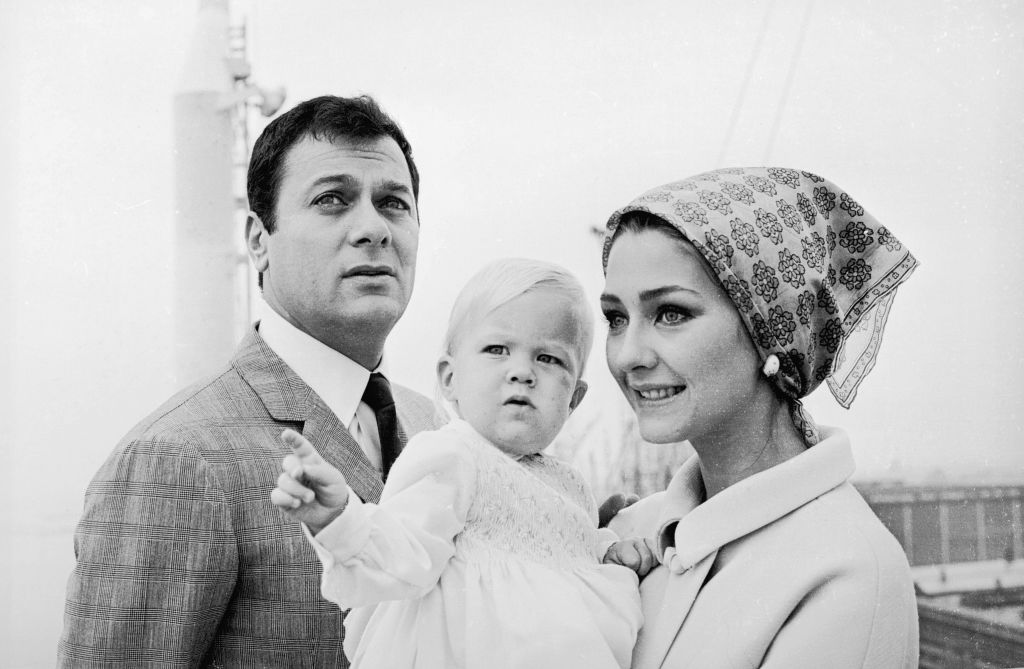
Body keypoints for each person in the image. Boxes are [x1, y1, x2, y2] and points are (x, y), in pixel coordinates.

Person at [58, 95, 444, 668]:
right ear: (260, 241)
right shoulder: (178, 458)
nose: (373, 228)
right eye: (332, 199)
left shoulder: (436, 427)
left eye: (393, 203)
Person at [600, 167, 920, 668]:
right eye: (616, 318)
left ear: (771, 330)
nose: (628, 355)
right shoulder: (626, 532)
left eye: (671, 313)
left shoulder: (850, 573)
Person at [271, 258, 651, 669]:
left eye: (549, 359)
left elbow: (570, 568)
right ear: (450, 378)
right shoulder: (452, 455)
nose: (522, 371)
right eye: (497, 350)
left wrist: (610, 554)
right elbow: (401, 548)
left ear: (573, 400)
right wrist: (339, 518)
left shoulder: (570, 483)